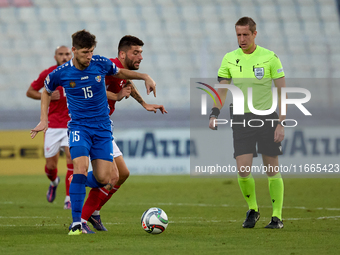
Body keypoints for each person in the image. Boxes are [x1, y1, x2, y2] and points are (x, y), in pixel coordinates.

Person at [30, 29, 156, 235]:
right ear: (74, 50)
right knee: (79, 167)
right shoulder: (61, 73)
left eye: (91, 52)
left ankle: (75, 183)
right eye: (85, 52)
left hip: (103, 129)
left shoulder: (99, 63)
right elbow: (46, 92)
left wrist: (145, 76)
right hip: (79, 127)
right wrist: (44, 119)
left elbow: (121, 73)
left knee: (105, 178)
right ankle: (77, 224)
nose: (89, 56)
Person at [80, 35, 167, 233]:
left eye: (141, 53)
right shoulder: (109, 66)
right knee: (111, 176)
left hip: (104, 125)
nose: (140, 57)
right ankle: (81, 220)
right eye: (136, 53)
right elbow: (93, 89)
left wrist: (144, 103)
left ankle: (94, 211)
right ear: (122, 54)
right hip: (91, 125)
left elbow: (127, 81)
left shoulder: (120, 71)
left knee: (123, 174)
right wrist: (118, 96)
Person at [209, 17, 285, 229]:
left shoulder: (270, 58)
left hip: (268, 117)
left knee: (271, 168)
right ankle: (253, 209)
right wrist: (214, 112)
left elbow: (283, 91)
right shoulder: (229, 59)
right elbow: (222, 88)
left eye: (245, 35)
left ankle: (277, 217)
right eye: (238, 35)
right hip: (241, 119)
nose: (241, 39)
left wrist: (282, 123)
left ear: (254, 34)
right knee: (243, 169)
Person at [26, 46, 73, 209]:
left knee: (71, 159)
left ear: (71, 55)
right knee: (51, 166)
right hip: (52, 125)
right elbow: (30, 91)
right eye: (61, 55)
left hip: (71, 124)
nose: (64, 57)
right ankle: (54, 182)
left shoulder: (77, 72)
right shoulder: (49, 73)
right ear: (55, 57)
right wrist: (45, 95)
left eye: (67, 54)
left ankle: (69, 197)